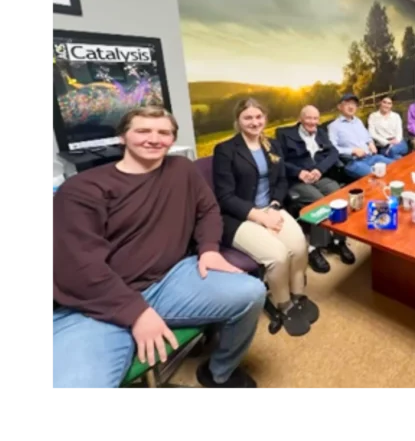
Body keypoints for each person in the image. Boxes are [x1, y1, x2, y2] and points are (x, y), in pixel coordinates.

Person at [50, 106, 267, 394]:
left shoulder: (182, 170)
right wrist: (136, 312)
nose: (154, 139)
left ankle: (219, 373)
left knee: (252, 292)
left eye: (163, 132)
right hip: (95, 305)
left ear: (172, 139)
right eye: (143, 131)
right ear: (122, 137)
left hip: (168, 280)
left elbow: (208, 211)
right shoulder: (82, 189)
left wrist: (209, 249)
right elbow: (78, 268)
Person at [213, 99, 317, 338]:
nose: (254, 122)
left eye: (258, 117)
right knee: (278, 256)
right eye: (248, 118)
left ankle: (298, 295)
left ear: (265, 118)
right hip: (239, 217)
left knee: (299, 246)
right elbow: (225, 197)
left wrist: (275, 206)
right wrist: (259, 216)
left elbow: (281, 181)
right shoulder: (225, 150)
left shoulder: (272, 145)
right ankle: (283, 304)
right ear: (238, 121)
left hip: (271, 209)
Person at [278, 105, 355, 273]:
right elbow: (278, 161)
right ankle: (315, 248)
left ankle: (338, 241)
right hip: (297, 180)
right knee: (320, 203)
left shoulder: (320, 132)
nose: (312, 122)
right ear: (300, 118)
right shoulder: (284, 134)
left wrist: (319, 169)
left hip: (318, 176)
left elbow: (333, 153)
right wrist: (299, 172)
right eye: (308, 118)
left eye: (315, 118)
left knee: (340, 197)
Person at [328, 93, 394, 179]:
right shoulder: (334, 126)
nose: (351, 107)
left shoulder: (358, 121)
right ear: (339, 107)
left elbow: (367, 136)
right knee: (378, 176)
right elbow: (332, 149)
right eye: (347, 103)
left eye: (353, 104)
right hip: (354, 162)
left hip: (371, 157)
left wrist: (370, 143)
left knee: (396, 165)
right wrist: (352, 151)